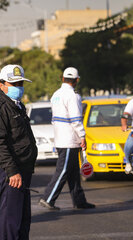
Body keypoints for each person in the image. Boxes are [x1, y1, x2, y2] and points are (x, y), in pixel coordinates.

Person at [0, 64, 38, 239]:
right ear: (1, 85)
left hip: (22, 171)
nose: (19, 88)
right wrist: (12, 171)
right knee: (10, 223)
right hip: (10, 174)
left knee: (22, 222)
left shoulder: (17, 106)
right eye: (14, 84)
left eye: (21, 83)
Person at [38, 67, 95, 210]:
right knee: (63, 170)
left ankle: (79, 200)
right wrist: (82, 136)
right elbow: (76, 119)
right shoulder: (73, 96)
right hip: (70, 140)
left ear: (62, 78)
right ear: (77, 80)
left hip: (61, 138)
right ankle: (48, 198)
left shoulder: (56, 94)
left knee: (73, 173)